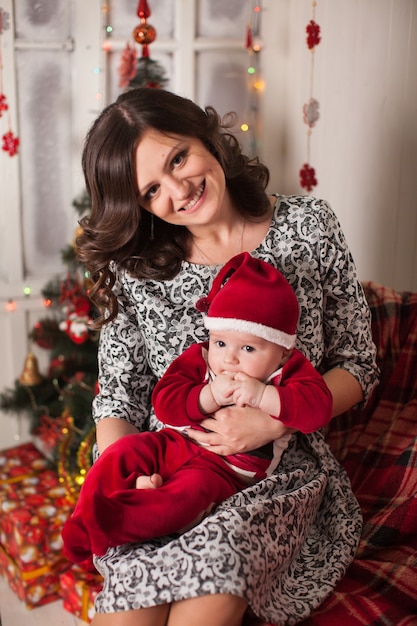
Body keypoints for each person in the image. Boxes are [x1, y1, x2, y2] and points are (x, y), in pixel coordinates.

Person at [75, 87, 379, 626]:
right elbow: (119, 395)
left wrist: (267, 420)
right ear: (141, 205)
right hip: (164, 469)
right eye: (151, 190)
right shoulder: (140, 268)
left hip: (268, 473)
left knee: (207, 598)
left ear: (204, 136)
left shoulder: (308, 228)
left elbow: (358, 362)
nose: (179, 189)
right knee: (129, 616)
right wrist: (132, 479)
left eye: (178, 158)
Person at [62, 252, 333, 563]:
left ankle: (116, 521)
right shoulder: (201, 358)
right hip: (173, 442)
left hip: (225, 470)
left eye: (247, 348)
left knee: (190, 492)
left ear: (283, 351)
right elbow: (165, 403)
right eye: (221, 343)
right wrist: (209, 396)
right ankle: (85, 516)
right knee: (123, 452)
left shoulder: (288, 371)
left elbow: (319, 410)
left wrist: (262, 397)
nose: (229, 358)